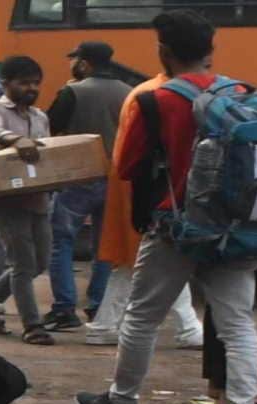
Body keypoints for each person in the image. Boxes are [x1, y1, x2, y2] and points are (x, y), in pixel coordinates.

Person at [76, 10, 257, 404]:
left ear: (163, 51)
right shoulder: (241, 92)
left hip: (177, 227)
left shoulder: (153, 100)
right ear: (211, 50)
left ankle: (121, 403)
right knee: (237, 323)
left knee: (141, 317)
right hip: (235, 227)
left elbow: (126, 166)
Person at [85, 67, 204, 349]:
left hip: (145, 193)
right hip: (152, 195)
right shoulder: (159, 96)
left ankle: (106, 325)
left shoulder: (150, 93)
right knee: (156, 259)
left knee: (147, 262)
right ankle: (187, 328)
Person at [0, 56, 55, 345]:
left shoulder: (40, 116)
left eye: (35, 83)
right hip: (6, 198)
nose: (31, 88)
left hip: (38, 197)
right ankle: (33, 326)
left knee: (40, 261)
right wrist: (15, 140)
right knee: (22, 264)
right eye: (24, 83)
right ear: (6, 84)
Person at [45, 41, 132, 329]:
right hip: (116, 180)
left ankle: (64, 309)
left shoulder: (73, 91)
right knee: (104, 247)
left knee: (61, 242)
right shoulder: (129, 92)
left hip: (77, 177)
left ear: (84, 63)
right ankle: (98, 306)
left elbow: (50, 126)